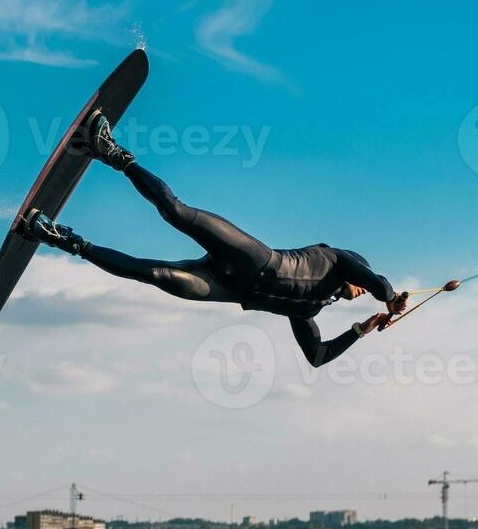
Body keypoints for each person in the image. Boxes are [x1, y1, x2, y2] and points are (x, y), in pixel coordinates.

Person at [25, 113, 408, 368]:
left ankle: (61, 238)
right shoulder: (335, 259)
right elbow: (367, 276)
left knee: (155, 275)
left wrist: (362, 329)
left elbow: (317, 356)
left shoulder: (307, 310)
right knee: (175, 211)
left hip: (226, 287)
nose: (360, 288)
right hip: (253, 258)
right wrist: (388, 295)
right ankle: (110, 151)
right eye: (362, 283)